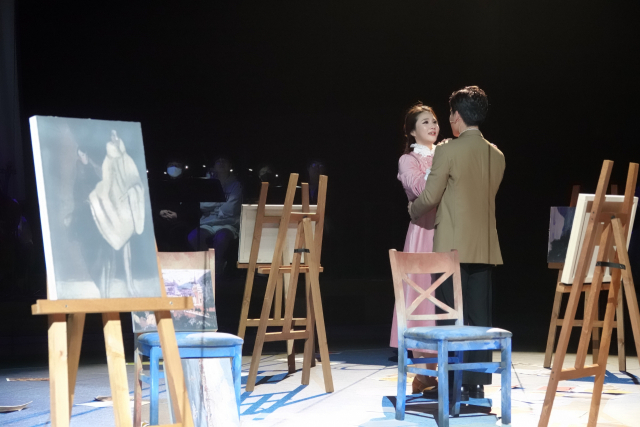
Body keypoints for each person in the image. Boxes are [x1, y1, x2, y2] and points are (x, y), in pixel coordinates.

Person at [409, 86, 505, 399]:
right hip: (485, 247)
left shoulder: (447, 151)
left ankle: (451, 386)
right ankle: (474, 384)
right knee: (479, 320)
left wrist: (412, 210)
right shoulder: (497, 155)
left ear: (457, 116)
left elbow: (430, 196)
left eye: (450, 113)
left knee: (451, 317)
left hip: (452, 246)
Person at [391, 103, 440, 394]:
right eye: (425, 122)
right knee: (423, 299)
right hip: (424, 233)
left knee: (445, 301)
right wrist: (442, 167)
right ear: (411, 131)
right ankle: (425, 373)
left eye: (434, 121)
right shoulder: (408, 160)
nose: (433, 126)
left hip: (448, 231)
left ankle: (432, 374)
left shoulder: (445, 152)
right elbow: (421, 190)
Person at [188, 157, 242, 278]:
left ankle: (218, 265)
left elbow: (231, 209)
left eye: (224, 161)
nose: (221, 163)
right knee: (193, 237)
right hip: (208, 222)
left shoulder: (236, 185)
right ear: (214, 166)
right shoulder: (208, 183)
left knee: (221, 238)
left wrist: (214, 204)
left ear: (230, 166)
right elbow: (203, 206)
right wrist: (221, 203)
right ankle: (208, 264)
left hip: (228, 223)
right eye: (218, 161)